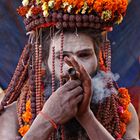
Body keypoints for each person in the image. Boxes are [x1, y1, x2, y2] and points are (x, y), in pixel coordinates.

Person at [0, 0, 139, 140]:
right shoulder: (12, 114)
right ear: (42, 62)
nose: (73, 68)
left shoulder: (123, 111)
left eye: (84, 55)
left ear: (99, 59)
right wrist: (47, 119)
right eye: (62, 56)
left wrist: (86, 117)